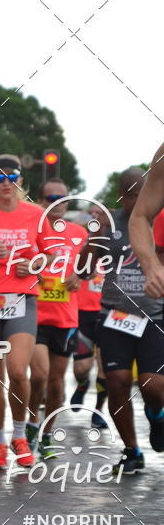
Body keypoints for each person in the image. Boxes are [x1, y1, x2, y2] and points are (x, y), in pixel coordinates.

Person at [80, 167, 164, 473]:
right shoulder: (109, 221)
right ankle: (132, 450)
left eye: (139, 193)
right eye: (128, 195)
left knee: (152, 385)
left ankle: (156, 414)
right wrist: (93, 237)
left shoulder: (159, 219)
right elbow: (83, 271)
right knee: (116, 382)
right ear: (120, 194)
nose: (133, 201)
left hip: (155, 316)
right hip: (115, 316)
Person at [0, 155, 53, 469]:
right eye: (0, 177)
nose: (6, 182)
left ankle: (19, 435)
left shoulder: (35, 213)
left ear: (20, 180)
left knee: (19, 371)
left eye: (12, 176)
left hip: (22, 299)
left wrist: (33, 264)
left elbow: (50, 257)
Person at [26, 181, 85, 457]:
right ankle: (30, 424)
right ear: (41, 200)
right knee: (39, 376)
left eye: (64, 198)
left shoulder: (79, 233)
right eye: (52, 198)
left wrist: (78, 277)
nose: (59, 203)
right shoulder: (32, 228)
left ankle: (47, 434)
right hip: (35, 314)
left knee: (57, 383)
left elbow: (87, 268)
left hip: (65, 318)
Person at [70, 206, 109, 428]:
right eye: (91, 213)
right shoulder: (80, 242)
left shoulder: (115, 245)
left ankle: (98, 410)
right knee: (81, 369)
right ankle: (82, 385)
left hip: (107, 313)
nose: (95, 217)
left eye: (100, 213)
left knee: (106, 368)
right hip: (82, 314)